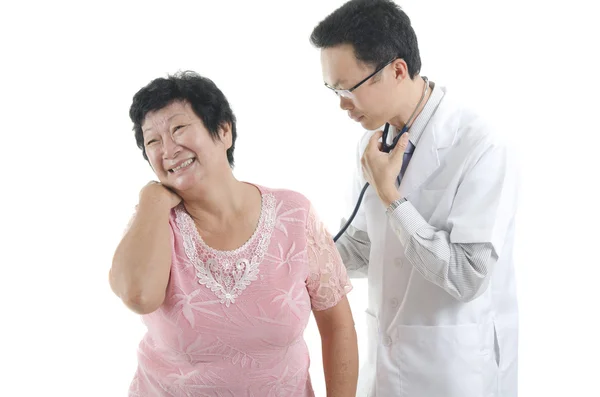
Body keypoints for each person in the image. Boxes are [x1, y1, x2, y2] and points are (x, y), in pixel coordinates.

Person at [310, 1, 519, 396]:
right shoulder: (370, 146)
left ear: (397, 69)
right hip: (386, 364)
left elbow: (466, 275)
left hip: (451, 369)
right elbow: (361, 245)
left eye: (347, 89)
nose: (341, 104)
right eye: (332, 89)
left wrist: (391, 198)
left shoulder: (480, 146)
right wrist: (286, 255)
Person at [108, 71, 359, 397]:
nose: (168, 149)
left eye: (178, 129)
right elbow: (138, 296)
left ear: (224, 131)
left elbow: (338, 327)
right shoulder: (153, 221)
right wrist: (152, 198)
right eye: (152, 141)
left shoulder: (293, 215)